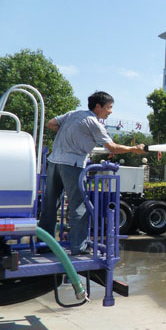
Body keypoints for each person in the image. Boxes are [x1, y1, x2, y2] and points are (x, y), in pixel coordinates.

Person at [39, 91, 146, 255]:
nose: (110, 111)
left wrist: (71, 134)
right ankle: (79, 247)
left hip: (54, 162)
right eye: (109, 107)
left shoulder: (73, 114)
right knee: (78, 206)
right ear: (98, 106)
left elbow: (51, 124)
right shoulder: (94, 123)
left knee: (50, 205)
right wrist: (134, 148)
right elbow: (112, 148)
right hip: (73, 165)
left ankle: (44, 244)